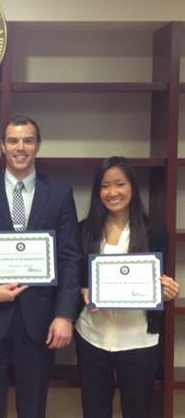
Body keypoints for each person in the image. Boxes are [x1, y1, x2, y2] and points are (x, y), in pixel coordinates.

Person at [0, 115, 82, 418]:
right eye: (13, 140)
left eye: (28, 140)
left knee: (33, 408)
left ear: (38, 146)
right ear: (3, 146)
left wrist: (64, 315)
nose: (20, 147)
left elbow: (70, 257)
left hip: (40, 320)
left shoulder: (60, 193)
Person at [75, 156, 180, 418]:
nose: (113, 193)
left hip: (138, 339)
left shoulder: (154, 231)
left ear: (132, 186)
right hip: (92, 337)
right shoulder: (84, 230)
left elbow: (159, 283)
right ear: (97, 191)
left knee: (138, 411)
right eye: (105, 186)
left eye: (120, 184)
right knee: (94, 411)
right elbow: (74, 279)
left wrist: (168, 292)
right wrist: (82, 291)